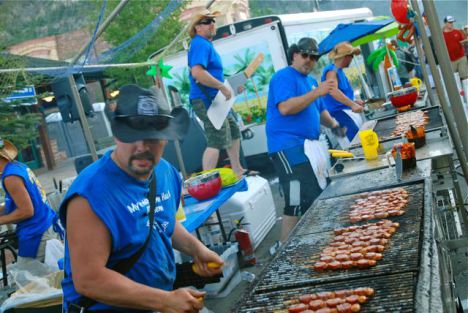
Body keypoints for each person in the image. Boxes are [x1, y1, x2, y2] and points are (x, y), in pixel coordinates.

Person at [59, 85, 224, 313]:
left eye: (153, 138)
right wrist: (164, 301)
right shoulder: (90, 194)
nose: (142, 147)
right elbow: (89, 279)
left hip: (154, 302)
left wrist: (196, 249)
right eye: (133, 137)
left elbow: (161, 220)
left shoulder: (165, 172)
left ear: (166, 138)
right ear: (117, 135)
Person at [266, 37, 346, 242]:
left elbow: (320, 112)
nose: (309, 60)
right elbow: (285, 107)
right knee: (297, 198)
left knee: (312, 194)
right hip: (287, 148)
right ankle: (291, 247)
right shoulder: (283, 77)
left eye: (314, 57)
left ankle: (310, 242)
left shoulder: (311, 82)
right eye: (305, 55)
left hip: (308, 148)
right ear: (294, 55)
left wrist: (335, 126)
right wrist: (318, 91)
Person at [188, 10, 253, 178]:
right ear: (197, 27)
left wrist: (230, 87)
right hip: (205, 99)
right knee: (216, 138)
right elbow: (197, 73)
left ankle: (237, 169)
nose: (212, 24)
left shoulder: (205, 44)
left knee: (233, 130)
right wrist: (222, 87)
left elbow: (209, 74)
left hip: (214, 99)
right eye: (207, 21)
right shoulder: (200, 44)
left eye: (213, 21)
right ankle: (207, 179)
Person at [0, 138, 61, 263]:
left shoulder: (10, 177)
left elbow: (26, 211)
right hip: (43, 225)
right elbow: (20, 201)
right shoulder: (18, 166)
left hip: (37, 233)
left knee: (28, 279)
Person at [321, 42, 365, 142]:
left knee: (358, 137)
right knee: (355, 140)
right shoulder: (331, 71)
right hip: (337, 113)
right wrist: (352, 105)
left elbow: (342, 94)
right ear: (346, 57)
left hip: (343, 111)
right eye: (351, 56)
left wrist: (354, 102)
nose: (352, 58)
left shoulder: (339, 71)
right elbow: (333, 90)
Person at [442, 16, 467, 81]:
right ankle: (459, 91)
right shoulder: (441, 35)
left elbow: (463, 42)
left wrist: (465, 41)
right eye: (450, 22)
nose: (452, 24)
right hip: (450, 60)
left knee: (465, 76)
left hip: (461, 57)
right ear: (445, 23)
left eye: (452, 22)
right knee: (453, 79)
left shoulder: (457, 32)